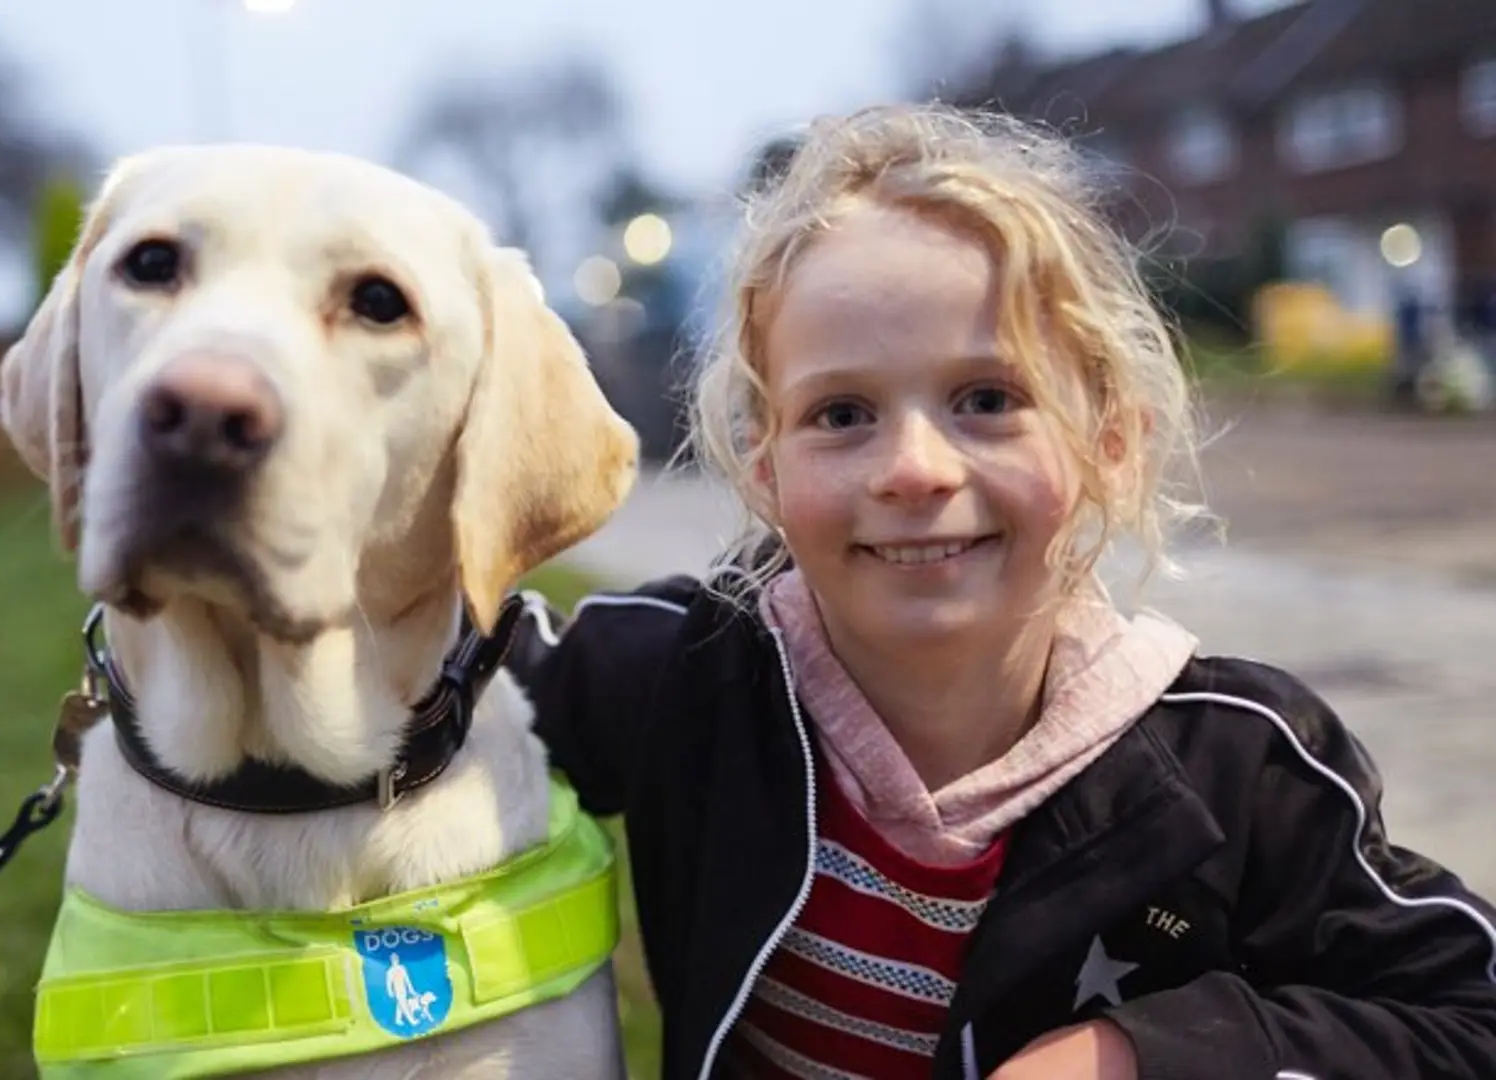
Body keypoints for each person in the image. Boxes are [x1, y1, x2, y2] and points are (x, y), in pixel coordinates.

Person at [505, 103, 1496, 1080]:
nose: (916, 468)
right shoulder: (690, 668)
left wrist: (1145, 1054)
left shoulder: (1241, 766)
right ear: (765, 474)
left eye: (988, 400)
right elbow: (434, 681)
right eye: (842, 413)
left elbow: (1469, 1014)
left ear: (1111, 442)